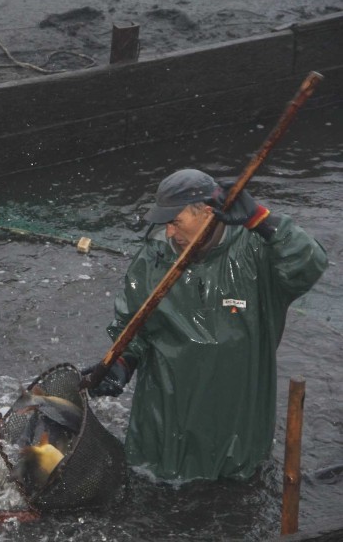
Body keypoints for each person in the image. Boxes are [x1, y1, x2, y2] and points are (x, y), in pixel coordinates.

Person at [82, 168, 327, 482]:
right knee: (155, 488)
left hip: (236, 414)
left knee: (233, 491)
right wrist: (123, 362)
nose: (169, 232)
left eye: (176, 221)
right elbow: (133, 322)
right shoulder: (155, 256)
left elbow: (310, 264)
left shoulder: (256, 251)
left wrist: (262, 220)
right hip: (164, 418)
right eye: (166, 223)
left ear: (208, 214)